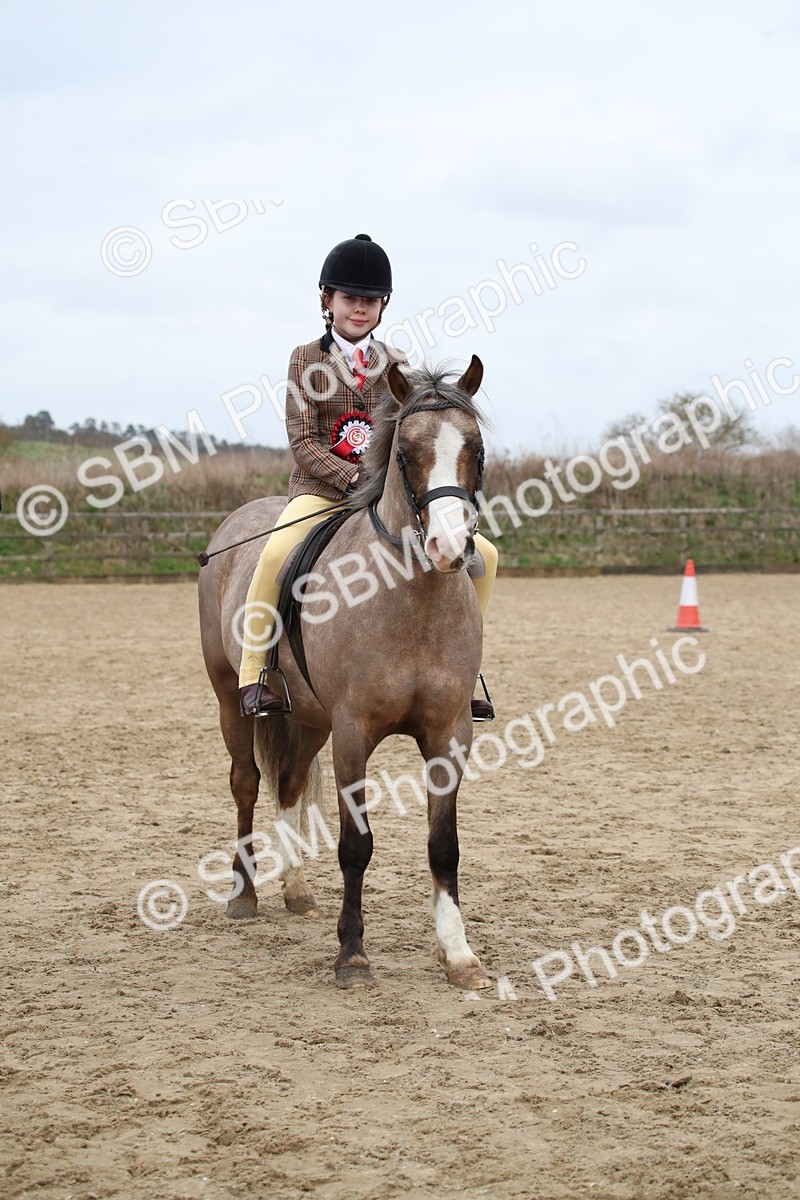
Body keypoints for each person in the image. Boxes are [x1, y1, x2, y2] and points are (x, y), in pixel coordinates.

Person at [238, 233, 498, 720]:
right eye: (350, 298)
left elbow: (412, 436)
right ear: (327, 301)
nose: (360, 308)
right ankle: (257, 673)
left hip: (384, 500)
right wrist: (354, 479)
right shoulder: (305, 359)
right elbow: (303, 441)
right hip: (321, 492)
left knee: (484, 554)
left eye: (370, 300)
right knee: (275, 553)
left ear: (383, 306)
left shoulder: (396, 364)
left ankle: (464, 672)